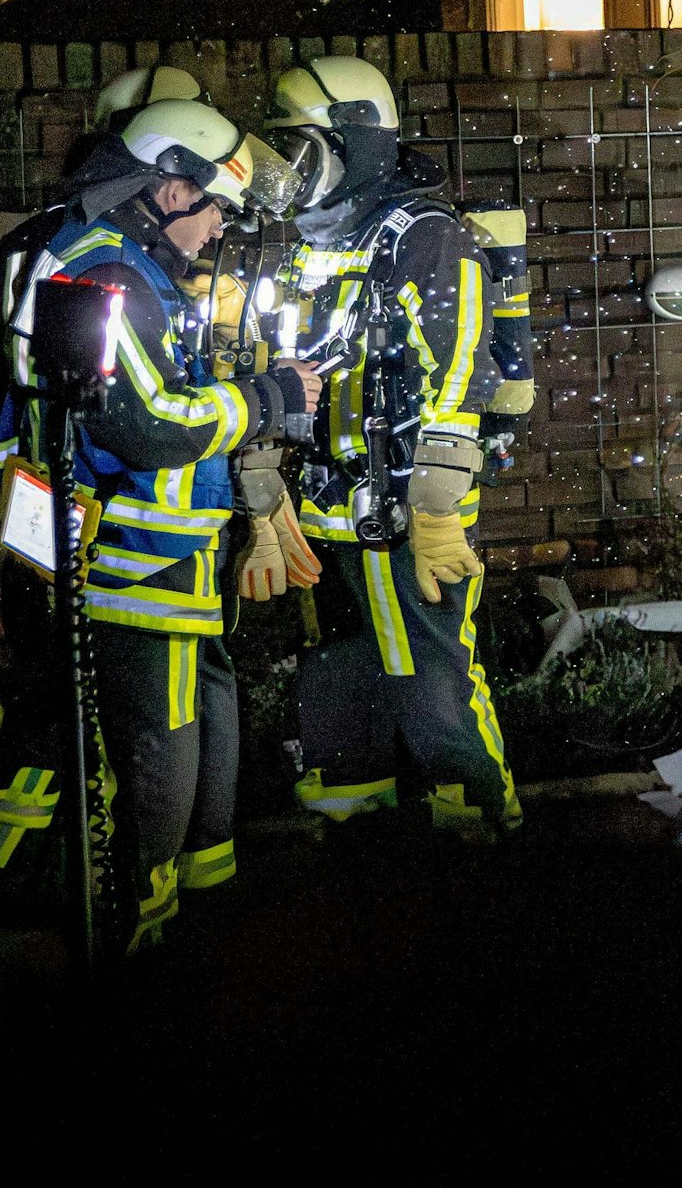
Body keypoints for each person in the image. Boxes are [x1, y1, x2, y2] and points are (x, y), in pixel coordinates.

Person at [0, 99, 320, 951]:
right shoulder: (111, 275)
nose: (220, 226)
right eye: (215, 205)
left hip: (70, 543)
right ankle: (138, 936)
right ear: (166, 188)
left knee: (49, 729)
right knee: (156, 755)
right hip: (131, 561)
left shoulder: (91, 253)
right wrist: (272, 398)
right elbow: (148, 426)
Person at [262, 56, 520, 833]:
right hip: (325, 511)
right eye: (285, 152)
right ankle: (356, 830)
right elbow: (282, 368)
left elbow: (458, 377)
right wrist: (268, 489)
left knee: (429, 674)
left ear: (355, 143)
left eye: (304, 150)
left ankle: (475, 822)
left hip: (410, 514)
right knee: (342, 670)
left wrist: (437, 504)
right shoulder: (308, 246)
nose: (290, 174)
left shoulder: (426, 237)